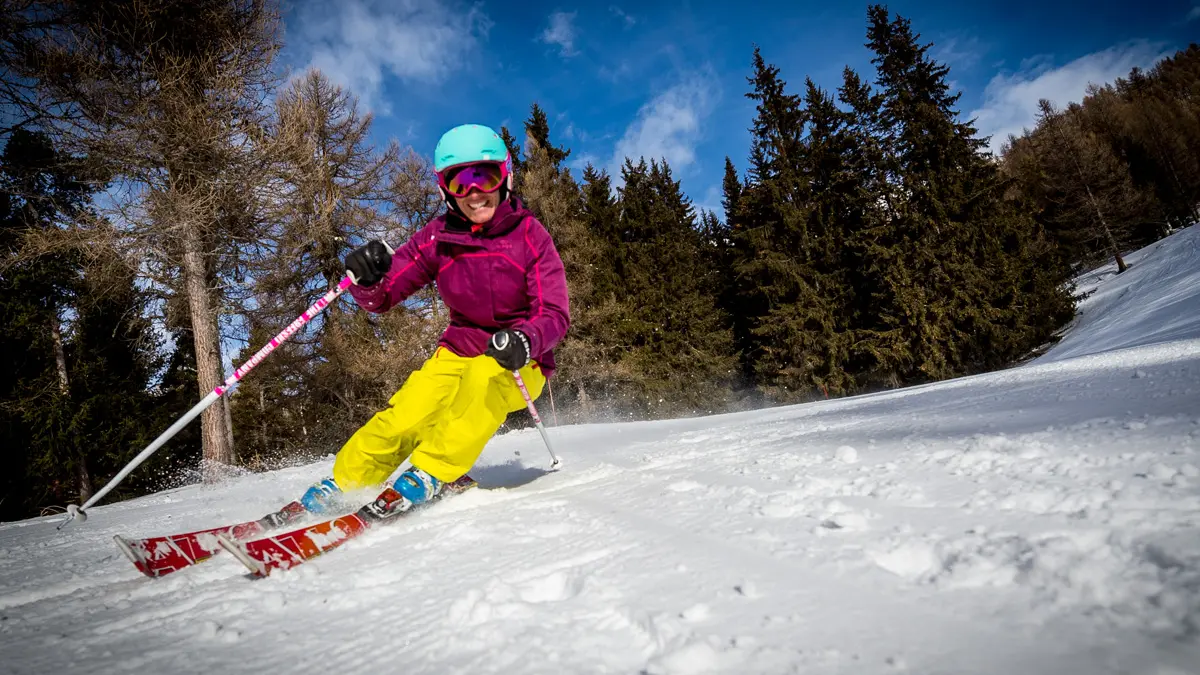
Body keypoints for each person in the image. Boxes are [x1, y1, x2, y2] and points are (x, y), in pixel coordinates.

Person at [298, 123, 570, 517]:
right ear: (446, 190)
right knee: (412, 407)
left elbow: (554, 312)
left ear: (505, 178)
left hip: (519, 358)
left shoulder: (530, 236)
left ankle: (433, 471)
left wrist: (527, 338)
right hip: (457, 350)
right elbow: (385, 294)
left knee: (483, 383)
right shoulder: (438, 237)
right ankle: (347, 481)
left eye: (486, 176)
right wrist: (369, 279)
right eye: (461, 183)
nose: (475, 192)